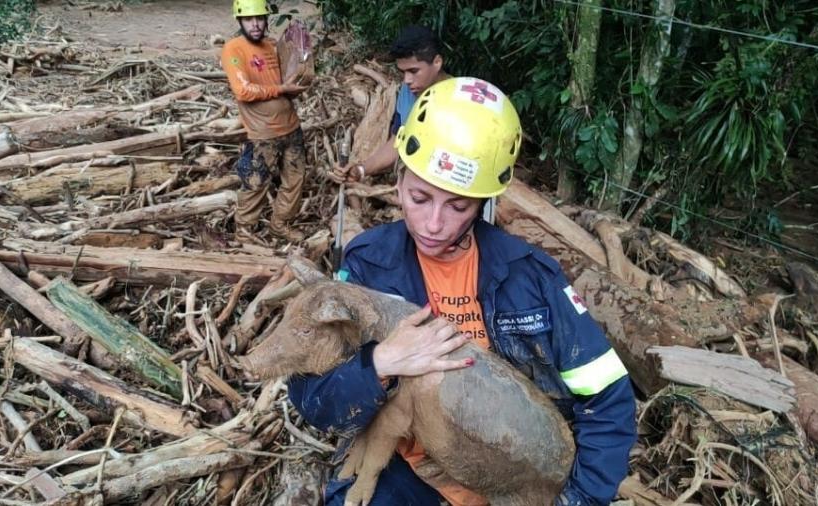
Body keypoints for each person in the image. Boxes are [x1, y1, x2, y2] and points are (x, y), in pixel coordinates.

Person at [289, 77, 637, 506]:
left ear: (484, 204)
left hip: (513, 479)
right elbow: (313, 398)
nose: (433, 224)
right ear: (397, 181)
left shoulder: (532, 279)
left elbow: (608, 402)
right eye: (419, 197)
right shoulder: (368, 266)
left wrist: (578, 499)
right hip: (409, 472)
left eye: (457, 206)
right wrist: (380, 362)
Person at [221, 0, 309, 243]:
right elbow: (243, 90)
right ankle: (244, 231)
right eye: (249, 19)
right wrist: (282, 87)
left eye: (259, 18)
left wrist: (300, 80)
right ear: (240, 21)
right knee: (256, 182)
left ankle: (280, 224)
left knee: (295, 179)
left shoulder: (272, 45)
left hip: (290, 125)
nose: (256, 24)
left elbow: (287, 81)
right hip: (262, 133)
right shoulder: (234, 49)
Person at [328, 25, 449, 184]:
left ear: (437, 62)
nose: (407, 80)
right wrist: (360, 170)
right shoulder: (407, 94)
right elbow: (397, 143)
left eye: (413, 71)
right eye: (403, 72)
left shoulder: (460, 100)